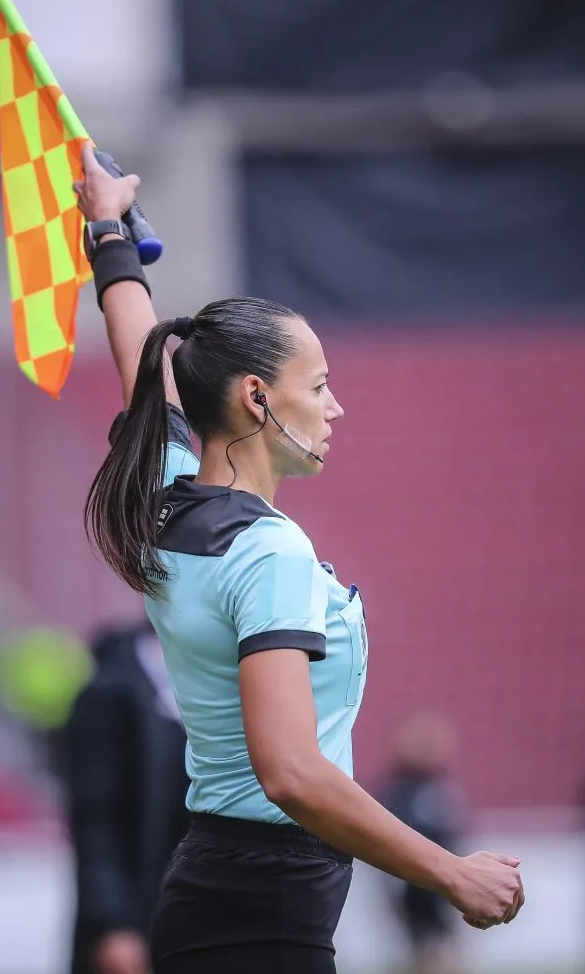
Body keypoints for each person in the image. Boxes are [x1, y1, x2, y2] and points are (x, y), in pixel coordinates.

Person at [73, 143, 525, 974]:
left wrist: (108, 230)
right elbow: (288, 773)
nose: (334, 406)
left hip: (224, 888)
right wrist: (450, 872)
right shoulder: (268, 552)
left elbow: (137, 344)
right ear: (254, 396)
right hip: (262, 910)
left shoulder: (171, 490)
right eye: (316, 386)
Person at [64, 620, 189, 974]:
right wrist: (112, 924)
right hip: (137, 917)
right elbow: (95, 823)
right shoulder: (110, 691)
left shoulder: (208, 687)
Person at [379, 714, 467, 974]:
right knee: (426, 951)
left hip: (442, 885)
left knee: (435, 948)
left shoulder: (438, 787)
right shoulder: (400, 792)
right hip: (418, 887)